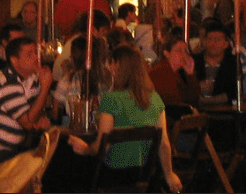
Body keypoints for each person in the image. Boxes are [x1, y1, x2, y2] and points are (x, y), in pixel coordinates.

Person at [68, 46, 183, 192]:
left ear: (116, 66)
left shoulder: (111, 100)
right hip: (142, 174)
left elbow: (104, 146)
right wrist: (169, 174)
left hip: (111, 174)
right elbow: (164, 143)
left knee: (70, 164)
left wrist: (85, 149)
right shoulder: (154, 98)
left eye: (111, 63)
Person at [0, 37, 54, 194]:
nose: (36, 57)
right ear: (14, 61)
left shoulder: (29, 79)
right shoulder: (8, 83)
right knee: (44, 167)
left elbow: (34, 112)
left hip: (9, 151)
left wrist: (37, 117)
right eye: (29, 54)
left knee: (48, 161)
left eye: (35, 53)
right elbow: (27, 121)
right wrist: (45, 88)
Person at [193, 21, 240, 103]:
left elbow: (235, 92)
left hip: (225, 112)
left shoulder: (232, 62)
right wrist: (198, 87)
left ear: (226, 44)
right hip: (197, 112)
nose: (214, 43)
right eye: (210, 39)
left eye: (218, 40)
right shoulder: (194, 62)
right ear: (204, 42)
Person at [148, 37, 201, 108]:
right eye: (179, 51)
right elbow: (175, 105)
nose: (184, 55)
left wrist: (190, 74)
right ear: (166, 53)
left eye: (185, 51)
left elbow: (193, 101)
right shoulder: (161, 72)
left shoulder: (177, 73)